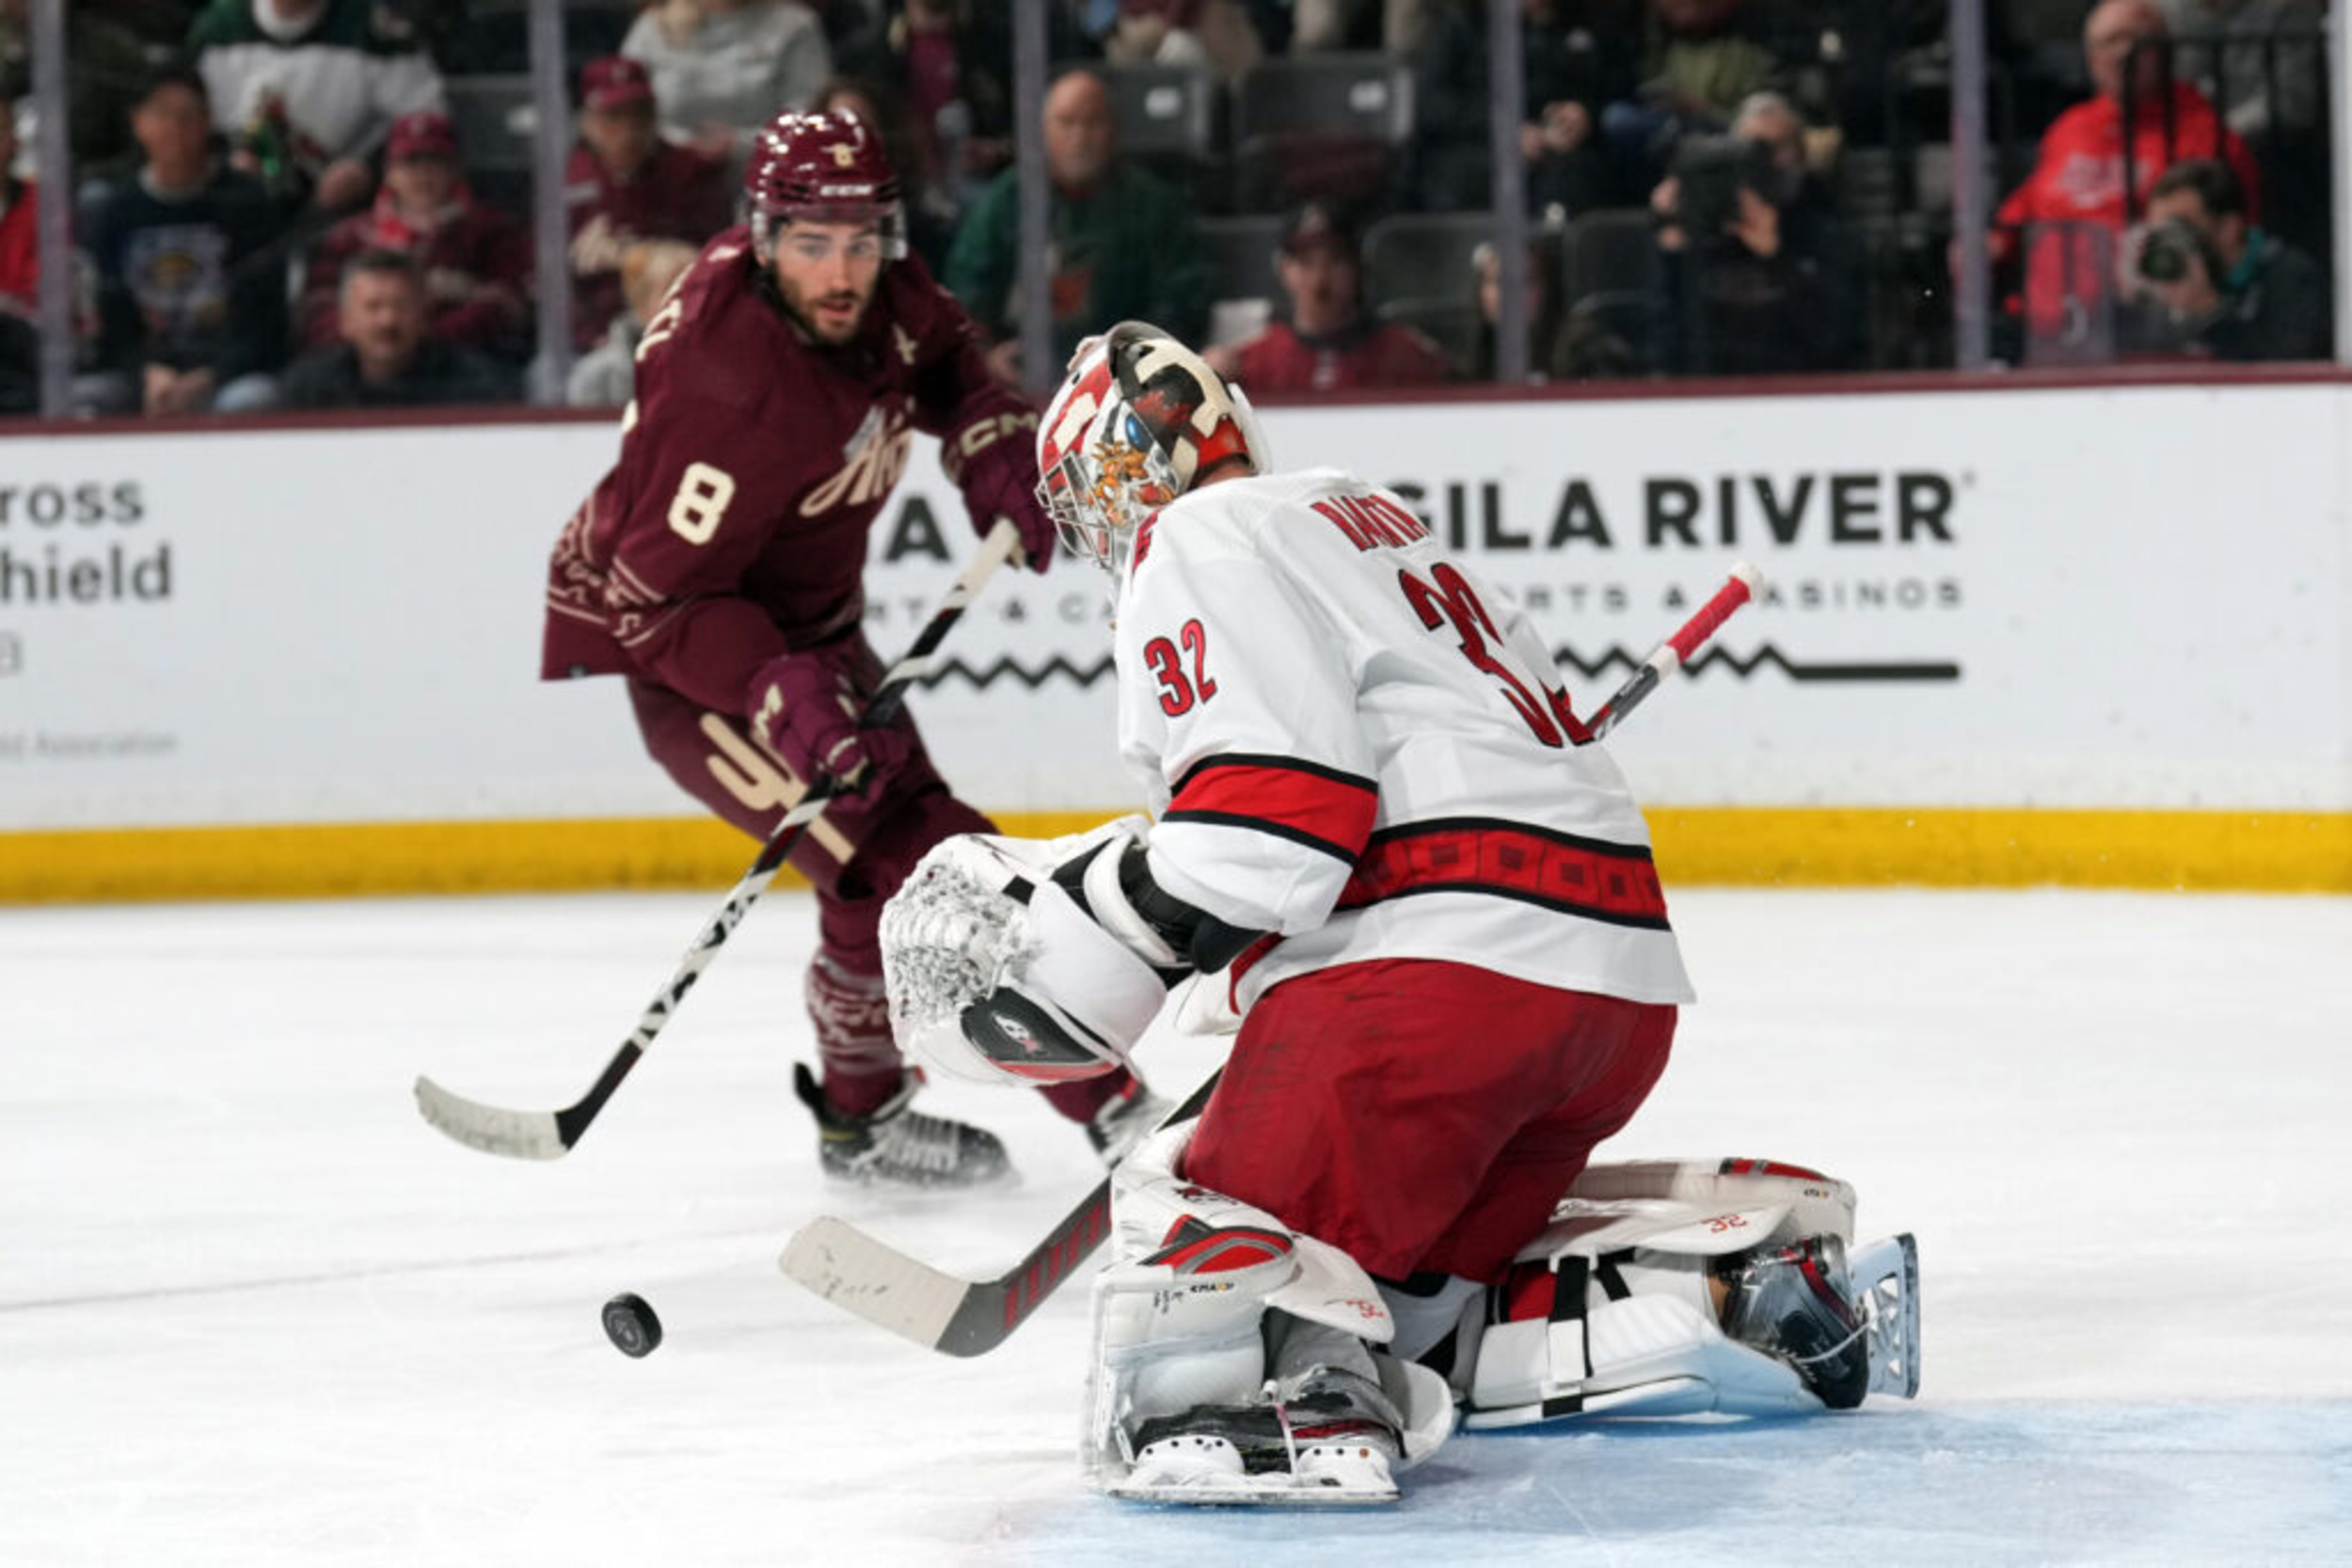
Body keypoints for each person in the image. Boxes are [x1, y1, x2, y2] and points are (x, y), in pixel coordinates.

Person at [875, 321, 1916, 1502]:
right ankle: (1720, 1294)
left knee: (1189, 1238)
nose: (1105, 522)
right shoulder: (1361, 515)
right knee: (1409, 1322)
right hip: (1610, 1002)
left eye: (1099, 490)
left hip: (1434, 988)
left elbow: (1274, 822)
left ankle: (1277, 1403)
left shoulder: (1193, 537)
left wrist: (1102, 921)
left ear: (1135, 466)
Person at [538, 107, 1168, 1189]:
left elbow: (950, 363)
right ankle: (1110, 1111)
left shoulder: (877, 287)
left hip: (813, 639)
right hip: (694, 666)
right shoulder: (724, 388)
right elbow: (656, 600)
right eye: (811, 243)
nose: (841, 270)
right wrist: (776, 691)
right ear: (763, 234)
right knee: (920, 862)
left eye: (861, 240)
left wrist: (989, 445)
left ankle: (862, 1119)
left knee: (895, 868)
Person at [1989, 0, 2260, 353]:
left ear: (2165, 51)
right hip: (2049, 327)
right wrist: (1989, 243)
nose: (2123, 53)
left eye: (2136, 40)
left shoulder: (2203, 132)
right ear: (2090, 57)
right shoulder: (2070, 128)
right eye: (2108, 43)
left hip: (2152, 330)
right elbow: (2024, 207)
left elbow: (2236, 240)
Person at [943, 68, 1210, 388]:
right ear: (1043, 132)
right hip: (1019, 387)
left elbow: (1182, 302)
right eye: (1067, 122)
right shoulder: (1003, 203)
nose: (1080, 136)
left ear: (1114, 129)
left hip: (1128, 387)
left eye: (1093, 122)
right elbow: (965, 296)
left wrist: (1132, 357)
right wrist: (986, 357)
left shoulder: (1155, 206)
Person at [75, 62, 289, 418]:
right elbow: (109, 323)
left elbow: (265, 326)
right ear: (137, 122)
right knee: (82, 399)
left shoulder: (247, 204)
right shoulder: (114, 211)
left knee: (251, 401)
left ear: (207, 123)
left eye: (188, 115)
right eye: (161, 114)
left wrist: (208, 377)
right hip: (142, 375)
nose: (174, 127)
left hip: (225, 375)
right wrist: (148, 373)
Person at [1648, 91, 1867, 376]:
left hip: (1798, 391)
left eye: (1775, 148)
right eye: (1749, 149)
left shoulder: (1826, 226)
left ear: (1800, 153)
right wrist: (1673, 254)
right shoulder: (1703, 224)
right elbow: (1662, 351)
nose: (1762, 162)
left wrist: (1776, 258)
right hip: (1711, 390)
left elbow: (1837, 345)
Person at [294, 110, 531, 365]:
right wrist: (370, 343)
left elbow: (508, 303)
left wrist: (420, 342)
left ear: (456, 168)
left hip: (463, 368)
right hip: (356, 371)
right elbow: (317, 311)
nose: (422, 173)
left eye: (435, 160)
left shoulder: (490, 229)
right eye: (410, 161)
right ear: (389, 172)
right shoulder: (350, 236)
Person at [187, 0, 447, 218]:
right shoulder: (217, 27)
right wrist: (223, 165)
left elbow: (427, 118)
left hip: (351, 209)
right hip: (233, 207)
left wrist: (369, 166)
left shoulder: (373, 28)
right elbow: (176, 118)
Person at [565, 55, 736, 359]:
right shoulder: (562, 184)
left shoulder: (691, 173)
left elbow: (721, 264)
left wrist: (637, 256)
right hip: (587, 342)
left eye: (639, 114)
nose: (629, 128)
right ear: (586, 122)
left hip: (684, 334)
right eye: (614, 115)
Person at [1203, 204, 1452, 393]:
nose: (1319, 279)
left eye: (1335, 262)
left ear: (1358, 269)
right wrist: (1205, 381)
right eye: (1305, 264)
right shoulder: (1254, 360)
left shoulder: (1403, 353)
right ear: (1283, 271)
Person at [2119, 156, 2328, 361]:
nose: (2169, 243)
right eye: (2160, 232)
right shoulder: (2160, 286)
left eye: (2181, 228)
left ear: (2228, 228)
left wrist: (2206, 312)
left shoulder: (2291, 277)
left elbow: (2284, 372)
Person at [278, 247, 518, 408]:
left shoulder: (479, 387)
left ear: (425, 316)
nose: (388, 321)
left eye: (401, 306)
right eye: (373, 307)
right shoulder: (308, 389)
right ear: (346, 321)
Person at [621, 0, 834, 167]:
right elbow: (624, 105)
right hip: (668, 179)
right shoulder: (652, 28)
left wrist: (741, 144)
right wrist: (679, 146)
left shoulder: (795, 27)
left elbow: (810, 116)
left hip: (769, 175)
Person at [566, 238, 698, 406]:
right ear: (641, 303)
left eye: (695, 289)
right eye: (671, 291)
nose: (685, 301)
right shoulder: (597, 377)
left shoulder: (724, 369)